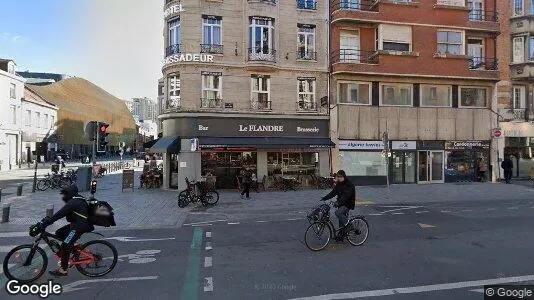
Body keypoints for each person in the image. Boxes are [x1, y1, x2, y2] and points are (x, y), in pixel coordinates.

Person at [33, 186, 94, 277]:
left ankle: (63, 270)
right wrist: (46, 221)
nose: (63, 197)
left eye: (65, 194)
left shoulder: (74, 202)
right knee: (59, 233)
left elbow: (59, 214)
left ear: (69, 194)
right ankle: (75, 245)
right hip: (76, 223)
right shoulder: (76, 199)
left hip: (79, 226)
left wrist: (45, 224)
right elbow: (60, 214)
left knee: (65, 244)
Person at [321, 170, 356, 241]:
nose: (339, 178)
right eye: (338, 177)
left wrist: (338, 202)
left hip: (348, 204)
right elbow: (333, 192)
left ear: (344, 176)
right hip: (341, 203)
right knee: (341, 219)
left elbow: (346, 196)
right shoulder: (339, 184)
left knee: (338, 213)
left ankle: (349, 226)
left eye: (340, 177)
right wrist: (325, 198)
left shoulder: (349, 185)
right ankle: (341, 236)